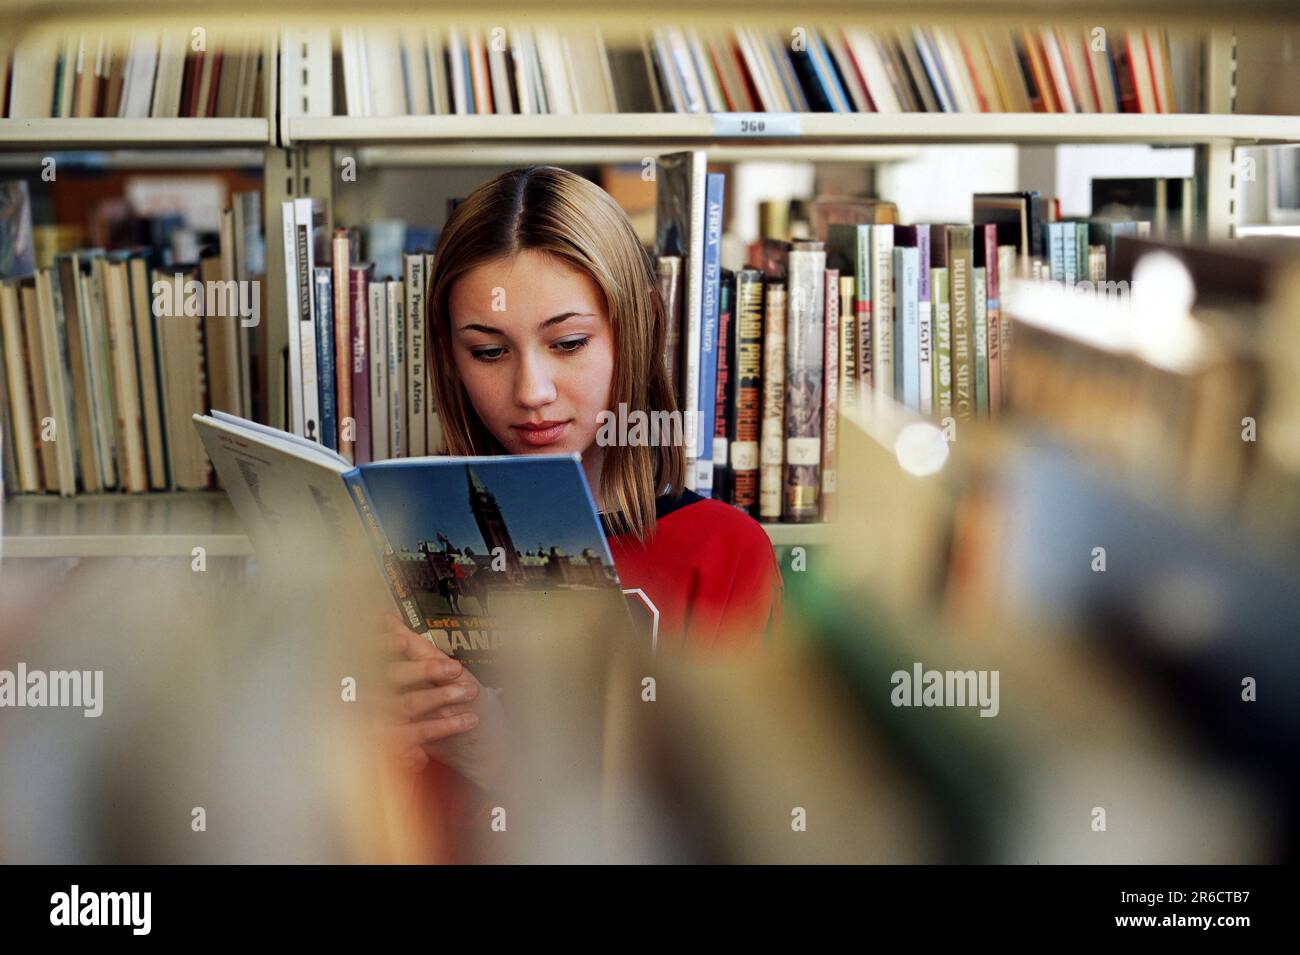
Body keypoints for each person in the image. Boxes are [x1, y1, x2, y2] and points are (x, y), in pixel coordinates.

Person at [382, 166, 783, 809]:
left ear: (634, 331)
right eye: (488, 352)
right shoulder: (394, 539)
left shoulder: (721, 551)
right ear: (450, 359)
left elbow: (718, 827)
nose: (531, 392)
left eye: (568, 343)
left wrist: (502, 758)